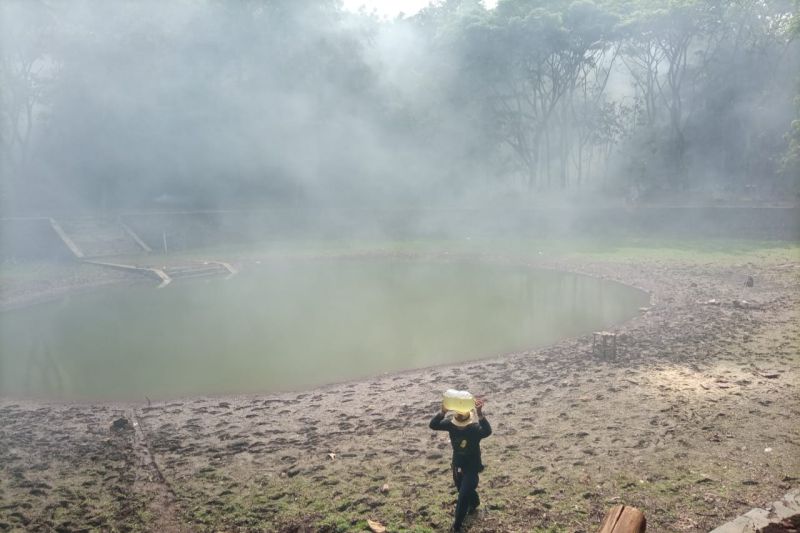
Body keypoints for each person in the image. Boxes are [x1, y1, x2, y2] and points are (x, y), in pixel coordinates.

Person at [429, 396, 492, 532]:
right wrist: (442, 412)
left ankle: (457, 526)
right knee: (462, 490)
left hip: (472, 468)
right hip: (457, 466)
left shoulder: (475, 428)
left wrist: (480, 413)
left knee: (462, 495)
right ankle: (475, 503)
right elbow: (433, 425)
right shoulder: (451, 426)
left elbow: (487, 431)